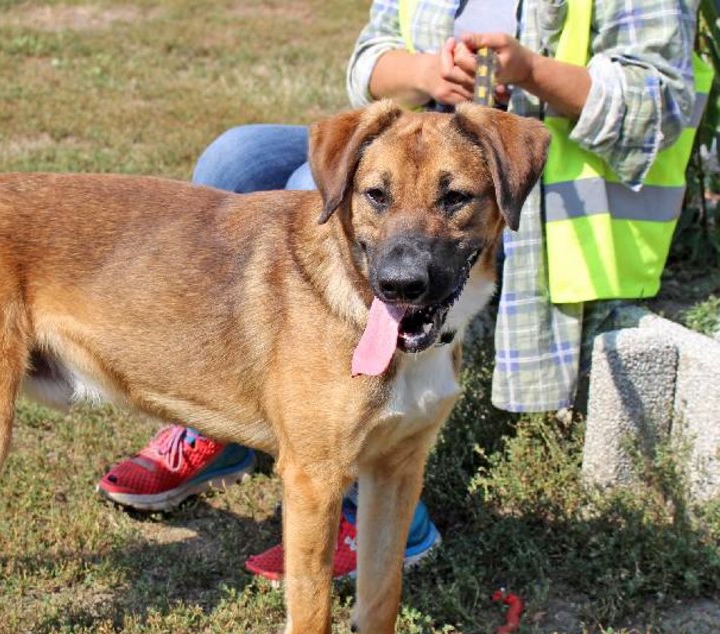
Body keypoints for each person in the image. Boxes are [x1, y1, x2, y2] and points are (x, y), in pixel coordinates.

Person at [98, 0, 706, 582]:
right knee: (236, 160)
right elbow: (369, 62)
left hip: (530, 196)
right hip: (422, 150)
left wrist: (531, 71)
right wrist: (427, 72)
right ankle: (229, 421)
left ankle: (378, 501)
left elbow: (659, 102)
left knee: (304, 202)